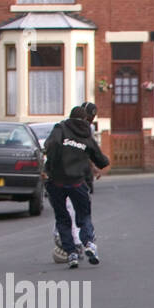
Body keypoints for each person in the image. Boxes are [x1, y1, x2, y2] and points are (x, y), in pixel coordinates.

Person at [43, 105, 109, 268]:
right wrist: (98, 163)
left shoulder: (60, 128)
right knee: (84, 214)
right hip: (77, 182)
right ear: (85, 118)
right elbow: (101, 159)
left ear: (70, 116)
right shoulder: (86, 134)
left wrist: (51, 165)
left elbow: (49, 145)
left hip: (56, 182)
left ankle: (71, 253)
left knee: (62, 217)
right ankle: (88, 243)